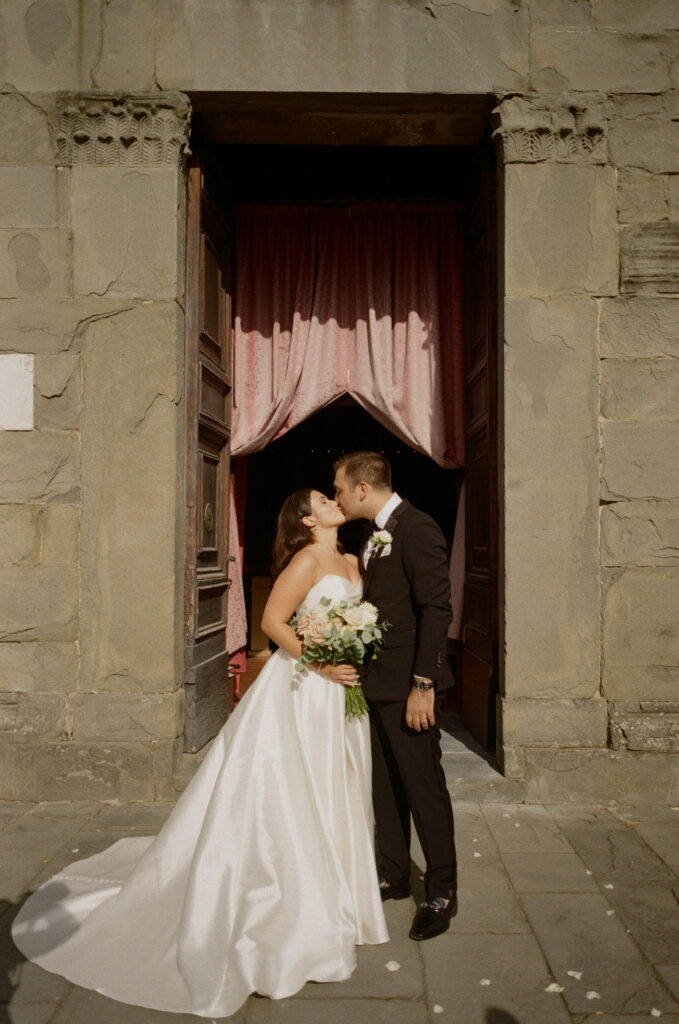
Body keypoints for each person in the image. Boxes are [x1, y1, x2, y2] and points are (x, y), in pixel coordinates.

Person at [11, 489, 388, 1019]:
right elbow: (274, 624)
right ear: (306, 519)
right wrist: (324, 662)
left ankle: (340, 892)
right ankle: (292, 895)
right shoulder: (306, 559)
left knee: (337, 783)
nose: (332, 500)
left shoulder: (351, 558)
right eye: (323, 499)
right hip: (303, 688)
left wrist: (354, 649)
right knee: (290, 786)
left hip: (340, 693)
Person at [333, 451, 458, 941]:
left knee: (423, 787)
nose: (337, 498)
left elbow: (436, 610)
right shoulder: (371, 535)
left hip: (409, 685)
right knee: (384, 786)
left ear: (363, 488)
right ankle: (394, 873)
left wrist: (423, 686)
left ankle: (443, 890)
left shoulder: (418, 528)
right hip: (375, 683)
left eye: (340, 489)